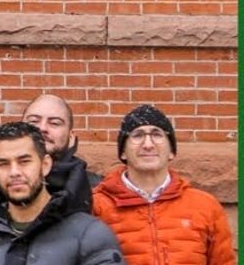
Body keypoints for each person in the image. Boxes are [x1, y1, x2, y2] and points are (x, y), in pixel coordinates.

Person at [0, 122, 122, 265]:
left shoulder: (88, 235)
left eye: (24, 161)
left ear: (45, 165)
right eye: (4, 164)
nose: (14, 172)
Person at [92, 104, 236, 265]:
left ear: (172, 151)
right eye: (137, 136)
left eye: (157, 135)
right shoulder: (97, 206)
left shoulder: (205, 206)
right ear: (123, 152)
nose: (148, 144)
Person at [22, 93, 99, 212]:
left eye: (54, 123)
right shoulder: (2, 183)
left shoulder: (96, 189)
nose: (42, 128)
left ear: (71, 136)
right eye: (34, 121)